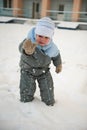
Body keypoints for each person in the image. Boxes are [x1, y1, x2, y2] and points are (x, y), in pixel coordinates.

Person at [19, 17, 62, 106]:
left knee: (48, 88)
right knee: (27, 87)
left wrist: (58, 65)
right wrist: (26, 50)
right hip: (27, 69)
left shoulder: (52, 47)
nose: (43, 39)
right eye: (40, 36)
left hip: (44, 70)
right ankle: (26, 100)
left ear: (51, 37)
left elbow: (56, 55)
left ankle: (49, 101)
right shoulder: (29, 41)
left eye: (46, 37)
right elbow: (21, 48)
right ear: (35, 34)